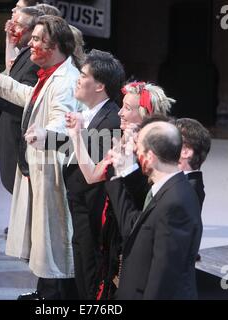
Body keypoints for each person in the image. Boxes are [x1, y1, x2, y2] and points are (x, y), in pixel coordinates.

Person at [0, 15, 81, 300]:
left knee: (54, 237)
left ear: (57, 45)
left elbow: (62, 121)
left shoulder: (65, 80)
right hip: (41, 167)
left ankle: (54, 298)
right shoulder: (52, 74)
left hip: (54, 172)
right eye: (33, 38)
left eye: (38, 40)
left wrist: (43, 134)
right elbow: (31, 96)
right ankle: (46, 291)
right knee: (44, 237)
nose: (31, 44)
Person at [26, 49, 125, 299]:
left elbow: (91, 162)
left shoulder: (111, 119)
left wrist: (66, 135)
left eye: (83, 75)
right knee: (81, 268)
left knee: (91, 275)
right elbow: (82, 144)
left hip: (93, 211)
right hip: (80, 206)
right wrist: (46, 138)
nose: (78, 80)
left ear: (100, 85)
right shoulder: (93, 114)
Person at [66, 82, 175, 299]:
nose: (120, 112)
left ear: (145, 114)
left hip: (132, 227)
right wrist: (76, 135)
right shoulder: (122, 140)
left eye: (127, 108)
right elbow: (91, 175)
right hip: (110, 225)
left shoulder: (156, 149)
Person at [105, 121, 203, 299]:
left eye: (138, 148)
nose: (135, 152)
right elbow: (133, 227)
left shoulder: (176, 203)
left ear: (149, 156)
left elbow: (164, 278)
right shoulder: (164, 189)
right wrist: (119, 176)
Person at [0, 7, 42, 196]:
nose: (13, 29)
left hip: (19, 133)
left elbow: (25, 99)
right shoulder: (26, 53)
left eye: (19, 25)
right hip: (10, 128)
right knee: (12, 186)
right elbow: (11, 73)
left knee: (19, 187)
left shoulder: (35, 62)